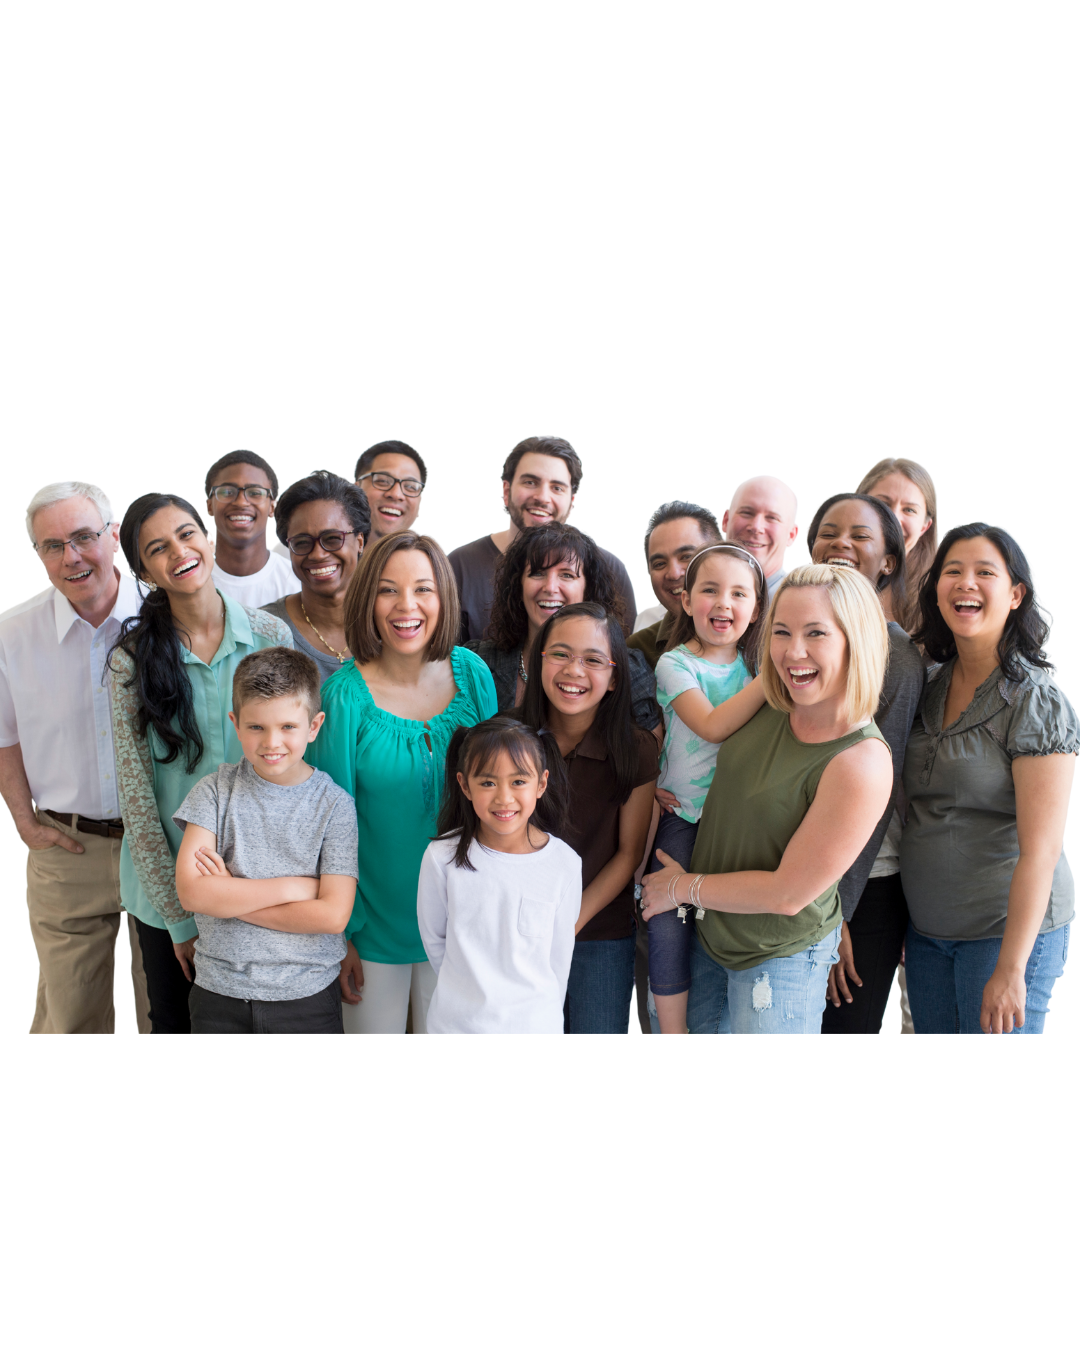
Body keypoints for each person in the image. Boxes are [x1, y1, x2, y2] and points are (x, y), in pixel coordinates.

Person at [642, 564, 893, 1034]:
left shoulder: (861, 762)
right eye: (781, 632)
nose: (792, 652)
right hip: (710, 933)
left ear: (855, 638)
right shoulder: (771, 703)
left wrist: (681, 888)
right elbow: (697, 746)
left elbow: (787, 893)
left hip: (778, 956)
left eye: (815, 632)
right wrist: (657, 782)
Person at [108, 492, 293, 1033]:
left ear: (208, 539)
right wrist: (180, 919)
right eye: (158, 549)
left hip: (258, 882)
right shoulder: (131, 661)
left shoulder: (270, 638)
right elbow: (138, 801)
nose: (179, 552)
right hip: (168, 893)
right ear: (144, 571)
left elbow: (290, 767)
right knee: (176, 1021)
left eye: (187, 534)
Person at [307, 532, 497, 1034]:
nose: (406, 606)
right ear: (368, 598)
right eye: (388, 590)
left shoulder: (473, 674)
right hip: (371, 930)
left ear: (445, 597)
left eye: (423, 589)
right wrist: (342, 935)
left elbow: (502, 803)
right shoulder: (343, 696)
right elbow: (328, 825)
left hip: (462, 924)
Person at [901, 523, 1076, 1034]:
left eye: (984, 572)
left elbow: (1040, 851)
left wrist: (1011, 969)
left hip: (1002, 936)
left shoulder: (1036, 701)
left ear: (1016, 593)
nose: (965, 583)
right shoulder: (926, 684)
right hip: (928, 932)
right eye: (952, 571)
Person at [2, 480, 149, 1034]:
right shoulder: (12, 632)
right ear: (39, 554)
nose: (73, 557)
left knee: (167, 1007)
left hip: (158, 846)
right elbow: (3, 741)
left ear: (113, 537)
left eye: (84, 537)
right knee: (70, 1017)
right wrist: (26, 824)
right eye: (53, 546)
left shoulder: (168, 617)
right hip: (66, 848)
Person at [173, 648, 358, 1033]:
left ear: (314, 725)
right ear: (235, 724)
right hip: (219, 995)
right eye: (256, 727)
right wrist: (296, 887)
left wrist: (228, 895)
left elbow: (332, 915)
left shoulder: (335, 806)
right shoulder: (213, 792)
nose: (272, 742)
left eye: (288, 727)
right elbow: (192, 894)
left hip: (307, 997)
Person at [804, 494, 926, 1033]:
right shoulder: (793, 637)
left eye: (859, 536)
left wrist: (838, 914)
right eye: (829, 533)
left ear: (889, 561)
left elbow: (877, 791)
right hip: (791, 881)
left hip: (860, 888)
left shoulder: (894, 656)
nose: (840, 545)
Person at [514, 602, 658, 1033]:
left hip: (599, 931)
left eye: (593, 660)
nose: (574, 670)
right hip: (518, 929)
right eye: (560, 654)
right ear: (538, 661)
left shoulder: (635, 748)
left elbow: (628, 853)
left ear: (614, 678)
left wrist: (568, 922)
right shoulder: (508, 739)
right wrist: (537, 927)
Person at [645, 546, 769, 1032]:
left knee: (725, 921)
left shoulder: (756, 667)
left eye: (740, 593)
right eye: (711, 590)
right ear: (688, 599)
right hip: (686, 816)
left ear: (756, 609)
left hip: (739, 824)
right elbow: (713, 726)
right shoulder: (675, 664)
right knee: (665, 918)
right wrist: (769, 680)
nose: (724, 603)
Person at [417, 716, 581, 1034]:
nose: (504, 798)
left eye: (518, 781)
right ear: (464, 784)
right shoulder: (442, 858)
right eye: (488, 782)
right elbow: (435, 942)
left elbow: (559, 957)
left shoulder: (564, 864)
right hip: (457, 1025)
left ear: (541, 784)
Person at [466, 522, 660, 732]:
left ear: (589, 588)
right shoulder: (479, 664)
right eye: (538, 573)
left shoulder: (629, 672)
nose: (550, 587)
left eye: (567, 575)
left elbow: (648, 757)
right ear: (518, 585)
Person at [448, 435, 637, 644]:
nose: (543, 497)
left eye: (557, 487)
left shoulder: (609, 569)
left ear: (572, 502)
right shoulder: (456, 567)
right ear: (506, 491)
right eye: (530, 482)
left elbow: (621, 661)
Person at [260, 470, 371, 683]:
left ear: (359, 542)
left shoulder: (390, 620)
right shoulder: (264, 631)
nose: (318, 554)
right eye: (302, 542)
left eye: (332, 538)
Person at [629, 500, 723, 670]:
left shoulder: (762, 637)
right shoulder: (637, 651)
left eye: (686, 556)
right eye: (659, 564)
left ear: (722, 554)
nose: (673, 573)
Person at [205, 448, 301, 607]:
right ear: (209, 505)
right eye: (227, 492)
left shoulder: (298, 581)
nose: (241, 502)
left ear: (272, 508)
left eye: (255, 492)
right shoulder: (192, 582)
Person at [856, 457, 939, 630]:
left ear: (925, 526)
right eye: (883, 504)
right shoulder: (821, 580)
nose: (893, 518)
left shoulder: (938, 595)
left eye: (909, 510)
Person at [720, 475, 800, 603]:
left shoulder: (799, 603)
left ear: (791, 535)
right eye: (746, 513)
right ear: (725, 521)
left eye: (772, 518)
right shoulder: (692, 592)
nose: (756, 527)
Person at [353, 439, 428, 541]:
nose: (396, 494)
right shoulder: (326, 554)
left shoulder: (433, 556)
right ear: (355, 489)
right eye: (383, 481)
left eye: (410, 487)